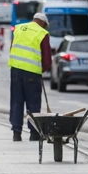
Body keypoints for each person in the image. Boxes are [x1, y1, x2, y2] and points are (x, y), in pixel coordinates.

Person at [9, 12, 52, 141]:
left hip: (16, 70)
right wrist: (42, 69)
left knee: (16, 101)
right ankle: (34, 133)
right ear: (43, 23)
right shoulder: (42, 33)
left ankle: (16, 133)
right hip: (32, 73)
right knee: (33, 103)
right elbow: (47, 58)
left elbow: (12, 47)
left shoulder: (19, 28)